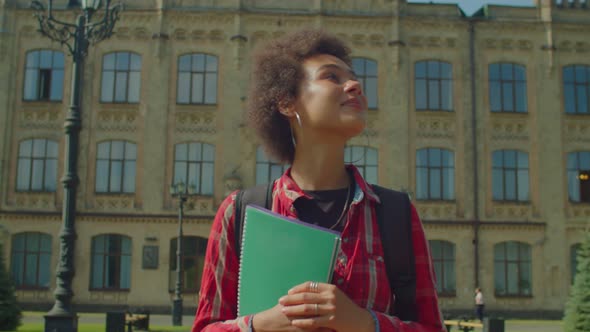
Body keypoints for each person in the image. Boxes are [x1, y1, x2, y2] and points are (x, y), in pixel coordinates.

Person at [192, 29, 445, 332]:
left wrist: (365, 323)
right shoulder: (240, 213)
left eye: (353, 78)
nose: (355, 85)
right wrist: (260, 325)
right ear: (287, 103)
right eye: (332, 77)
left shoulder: (397, 214)